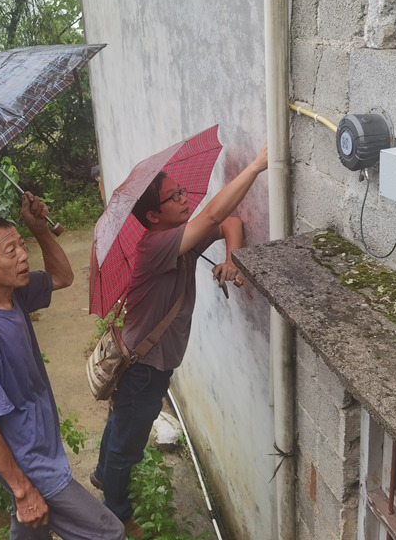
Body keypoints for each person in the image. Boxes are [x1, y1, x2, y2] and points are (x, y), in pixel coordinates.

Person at [91, 144, 269, 539]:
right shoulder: (156, 247)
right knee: (128, 445)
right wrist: (257, 166)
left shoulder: (176, 236)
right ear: (154, 215)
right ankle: (116, 516)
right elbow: (215, 214)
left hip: (149, 361)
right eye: (175, 197)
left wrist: (232, 259)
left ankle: (103, 475)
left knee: (121, 422)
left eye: (181, 191)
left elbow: (230, 223)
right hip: (144, 367)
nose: (185, 198)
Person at [0, 192, 125, 540]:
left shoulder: (12, 294)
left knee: (33, 531)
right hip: (30, 461)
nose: (22, 255)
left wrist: (40, 229)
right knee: (109, 533)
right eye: (9, 251)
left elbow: (62, 277)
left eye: (21, 244)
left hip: (38, 445)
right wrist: (23, 489)